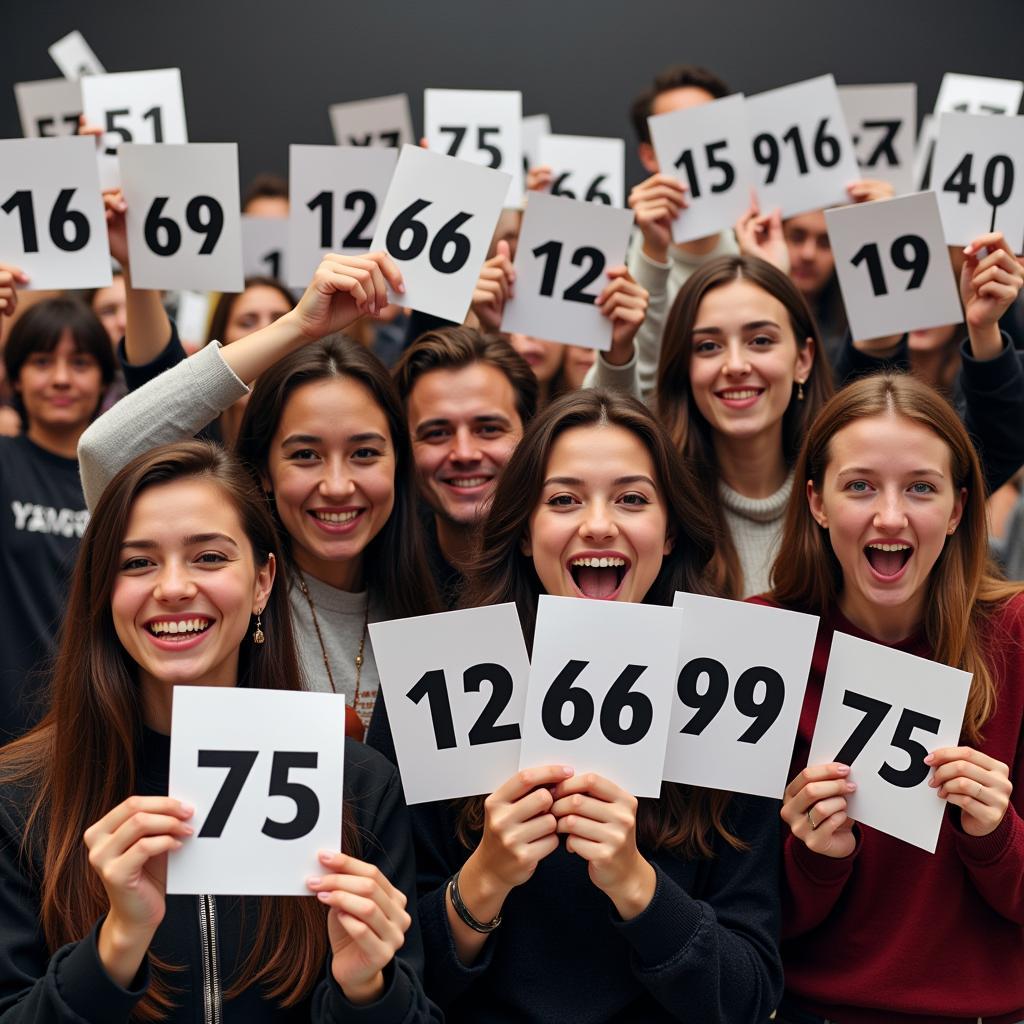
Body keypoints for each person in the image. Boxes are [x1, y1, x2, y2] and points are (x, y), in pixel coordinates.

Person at [0, 441, 440, 1022]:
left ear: (263, 582)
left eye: (209, 557)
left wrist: (367, 990)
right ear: (104, 591)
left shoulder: (357, 784)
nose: (174, 587)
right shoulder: (21, 794)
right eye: (137, 563)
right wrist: (116, 945)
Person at [383, 390, 783, 1022]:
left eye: (632, 498)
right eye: (564, 499)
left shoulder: (732, 687)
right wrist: (484, 878)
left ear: (671, 529)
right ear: (521, 532)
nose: (598, 524)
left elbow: (750, 996)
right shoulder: (438, 677)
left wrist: (637, 884)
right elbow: (388, 985)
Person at [756, 372, 1024, 1024]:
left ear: (960, 510)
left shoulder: (1015, 635)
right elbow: (735, 917)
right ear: (816, 502)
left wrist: (996, 835)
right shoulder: (758, 641)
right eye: (860, 487)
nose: (891, 516)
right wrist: (816, 856)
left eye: (921, 489)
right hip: (809, 1011)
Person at [79, 252, 441, 733]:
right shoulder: (226, 597)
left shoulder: (438, 600)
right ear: (264, 470)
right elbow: (105, 451)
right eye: (305, 455)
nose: (336, 486)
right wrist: (295, 328)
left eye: (365, 453)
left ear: (400, 464)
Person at [588, 253, 832, 598]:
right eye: (708, 346)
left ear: (803, 360)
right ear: (684, 368)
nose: (734, 365)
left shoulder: (846, 501)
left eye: (760, 341)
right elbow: (602, 439)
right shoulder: (655, 508)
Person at [0, 294, 116, 739]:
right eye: (42, 361)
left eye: (81, 363)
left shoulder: (121, 480)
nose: (62, 379)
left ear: (105, 378)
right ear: (15, 377)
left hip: (96, 732)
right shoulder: (6, 462)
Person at [393, 326, 537, 604]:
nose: (464, 453)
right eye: (437, 433)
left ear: (531, 435)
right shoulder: (376, 575)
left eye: (488, 429)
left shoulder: (569, 564)